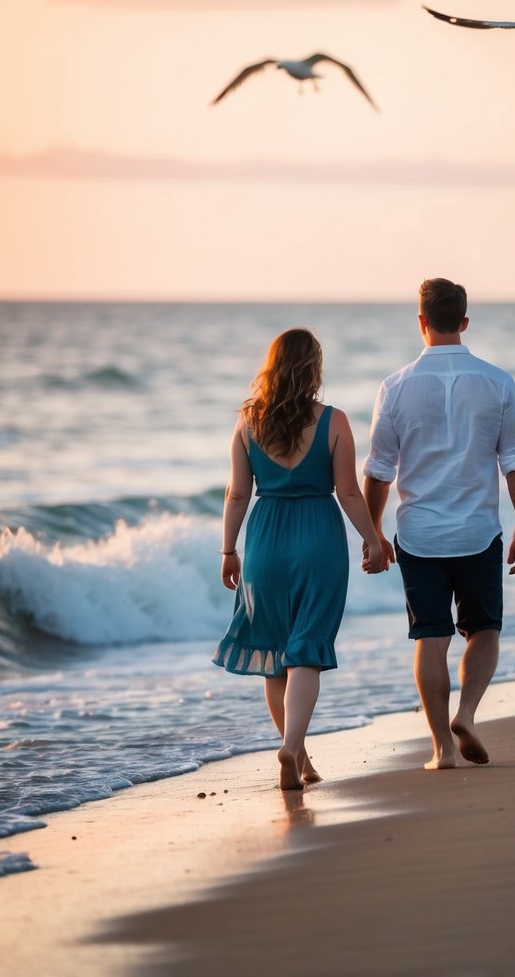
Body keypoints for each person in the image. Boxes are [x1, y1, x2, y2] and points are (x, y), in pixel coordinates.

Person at [363, 278, 515, 770]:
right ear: (463, 322)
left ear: (421, 322)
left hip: (418, 535)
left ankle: (442, 748)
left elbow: (378, 471)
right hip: (479, 531)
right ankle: (467, 714)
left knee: (429, 637)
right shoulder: (498, 382)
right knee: (484, 630)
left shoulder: (393, 387)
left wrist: (374, 533)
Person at [213, 328, 387, 791]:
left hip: (265, 540)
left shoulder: (248, 422)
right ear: (314, 368)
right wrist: (373, 540)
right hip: (319, 538)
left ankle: (299, 754)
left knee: (273, 653)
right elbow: (348, 492)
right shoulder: (334, 421)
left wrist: (228, 550)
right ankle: (294, 749)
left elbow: (236, 494)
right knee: (305, 648)